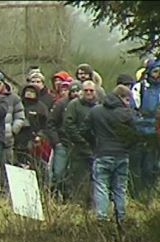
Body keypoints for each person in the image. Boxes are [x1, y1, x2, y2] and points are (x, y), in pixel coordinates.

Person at [86, 85, 137, 224]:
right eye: (127, 99)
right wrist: (127, 148)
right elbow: (134, 136)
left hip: (102, 152)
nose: (128, 102)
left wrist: (94, 144)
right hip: (122, 154)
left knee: (101, 185)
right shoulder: (127, 114)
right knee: (120, 187)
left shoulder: (96, 111)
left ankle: (102, 217)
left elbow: (85, 129)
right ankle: (120, 217)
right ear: (120, 97)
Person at [129, 60, 160, 204]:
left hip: (156, 134)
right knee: (137, 167)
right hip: (140, 134)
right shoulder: (139, 88)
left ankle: (149, 197)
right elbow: (133, 110)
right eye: (155, 71)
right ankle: (136, 197)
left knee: (152, 167)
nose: (158, 75)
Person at [63, 80, 98, 206]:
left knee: (95, 180)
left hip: (96, 148)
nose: (88, 93)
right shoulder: (74, 105)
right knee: (78, 178)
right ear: (82, 92)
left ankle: (93, 207)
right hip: (78, 147)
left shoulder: (98, 106)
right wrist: (81, 141)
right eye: (86, 90)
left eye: (91, 90)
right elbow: (68, 125)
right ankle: (77, 205)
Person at [47, 80, 82, 201]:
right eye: (73, 91)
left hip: (78, 145)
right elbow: (51, 123)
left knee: (73, 174)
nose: (76, 94)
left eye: (78, 91)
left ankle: (70, 198)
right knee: (58, 172)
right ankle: (54, 196)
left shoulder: (85, 106)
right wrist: (56, 141)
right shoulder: (61, 104)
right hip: (62, 143)